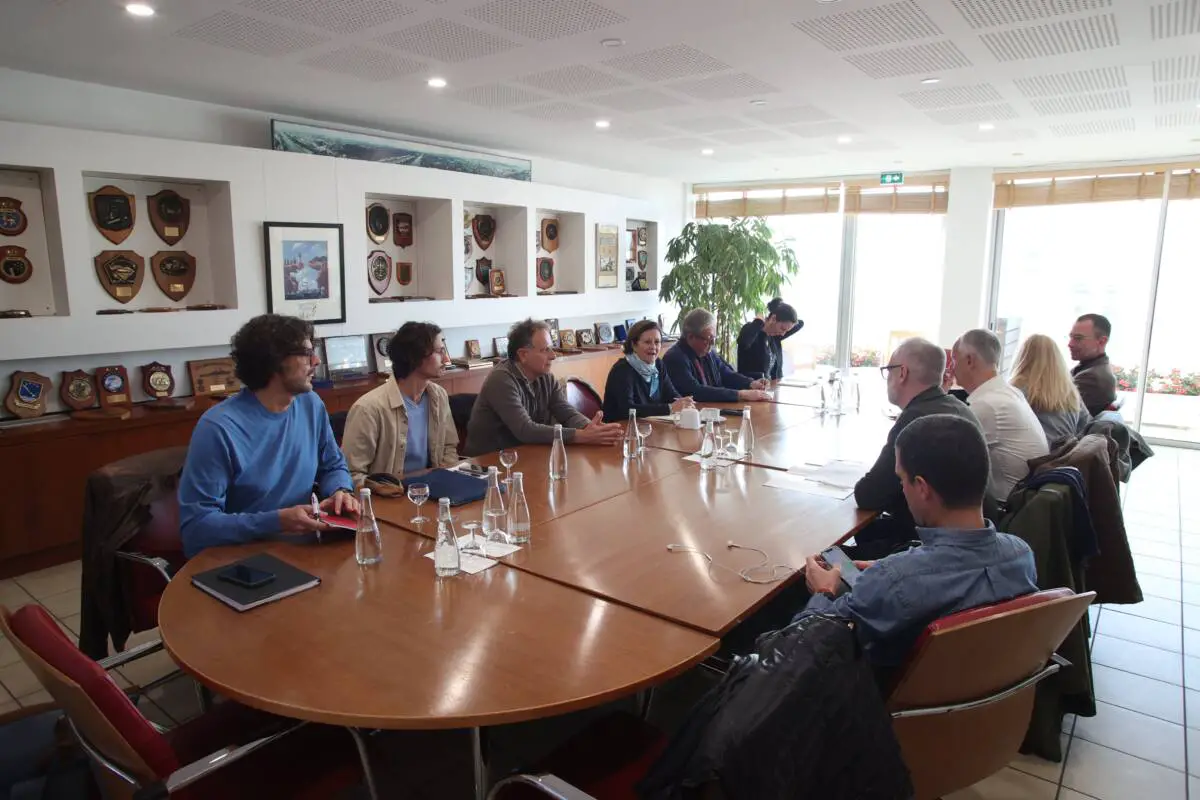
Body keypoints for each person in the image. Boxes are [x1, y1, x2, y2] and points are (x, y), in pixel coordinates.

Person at [800, 414, 1038, 670]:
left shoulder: (895, 580)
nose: (902, 488)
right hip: (985, 692)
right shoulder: (1021, 555)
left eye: (902, 479)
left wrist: (823, 591)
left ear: (922, 487)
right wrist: (896, 567)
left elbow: (803, 648)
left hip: (878, 700)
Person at [179, 314, 358, 558]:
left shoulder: (310, 404)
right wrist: (275, 522)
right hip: (242, 559)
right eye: (306, 354)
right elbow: (197, 528)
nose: (316, 360)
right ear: (274, 361)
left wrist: (340, 491)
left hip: (308, 551)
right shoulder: (218, 428)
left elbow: (333, 465)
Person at [854, 337, 981, 551]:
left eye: (889, 370)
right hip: (967, 539)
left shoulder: (916, 421)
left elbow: (869, 494)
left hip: (927, 546)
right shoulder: (959, 408)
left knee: (826, 558)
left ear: (902, 373)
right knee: (868, 531)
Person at [464, 318, 624, 456]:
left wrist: (591, 428)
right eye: (545, 350)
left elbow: (566, 414)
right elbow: (525, 430)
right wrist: (582, 436)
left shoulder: (545, 377)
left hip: (528, 455)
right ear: (523, 355)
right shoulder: (501, 379)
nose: (553, 355)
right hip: (490, 463)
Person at [341, 322, 460, 486]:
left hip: (431, 490)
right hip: (388, 497)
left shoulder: (438, 396)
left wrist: (443, 476)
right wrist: (385, 489)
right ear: (416, 357)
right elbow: (351, 473)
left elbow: (449, 447)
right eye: (440, 351)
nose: (446, 359)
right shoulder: (369, 409)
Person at [952, 329, 1049, 502]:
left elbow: (945, 453)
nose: (951, 367)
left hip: (1005, 508)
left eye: (953, 359)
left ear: (969, 360)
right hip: (1024, 498)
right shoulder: (1009, 392)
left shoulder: (987, 406)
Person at [662, 308, 773, 403]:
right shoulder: (675, 358)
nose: (712, 344)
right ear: (691, 337)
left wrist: (750, 383)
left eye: (714, 339)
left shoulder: (708, 352)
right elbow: (695, 392)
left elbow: (726, 374)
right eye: (709, 339)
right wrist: (741, 394)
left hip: (715, 410)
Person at [602, 319, 695, 422]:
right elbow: (627, 410)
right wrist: (669, 408)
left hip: (650, 426)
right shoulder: (622, 370)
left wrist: (683, 403)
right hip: (621, 429)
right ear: (634, 345)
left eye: (657, 342)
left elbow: (671, 395)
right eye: (647, 342)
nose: (653, 347)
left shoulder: (658, 364)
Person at [1010, 333, 1091, 449]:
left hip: (1036, 460)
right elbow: (1086, 425)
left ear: (1023, 357)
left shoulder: (1017, 390)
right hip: (1066, 459)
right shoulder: (1070, 391)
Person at [737, 298, 803, 381]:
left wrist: (780, 307)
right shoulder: (752, 330)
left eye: (786, 331)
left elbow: (801, 323)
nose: (783, 334)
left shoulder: (775, 337)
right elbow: (743, 342)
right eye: (782, 329)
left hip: (772, 388)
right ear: (774, 319)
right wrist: (759, 322)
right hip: (752, 389)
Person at [1068, 313, 1118, 416]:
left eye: (1078, 338)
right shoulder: (1090, 367)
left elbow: (1055, 412)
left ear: (1101, 341)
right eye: (1071, 337)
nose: (1070, 344)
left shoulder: (1093, 378)